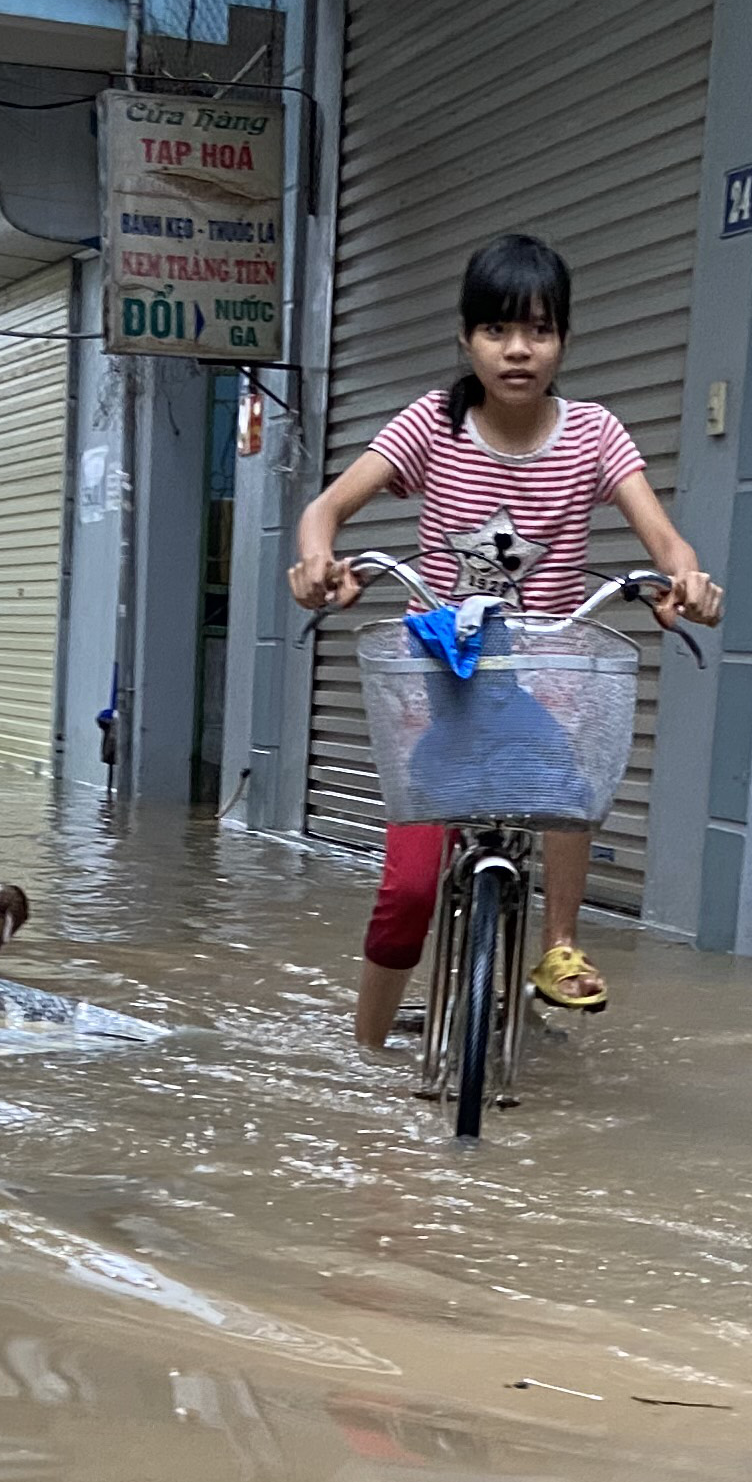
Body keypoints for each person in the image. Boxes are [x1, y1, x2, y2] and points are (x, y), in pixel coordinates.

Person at [289, 235, 721, 1046]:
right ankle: (366, 1052)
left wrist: (685, 582)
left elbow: (667, 541)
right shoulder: (433, 422)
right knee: (410, 889)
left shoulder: (595, 435)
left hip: (546, 672)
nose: (518, 350)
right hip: (440, 685)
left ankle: (557, 944)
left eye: (539, 331)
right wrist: (317, 558)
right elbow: (326, 509)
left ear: (564, 339)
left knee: (572, 781)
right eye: (496, 331)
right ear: (466, 339)